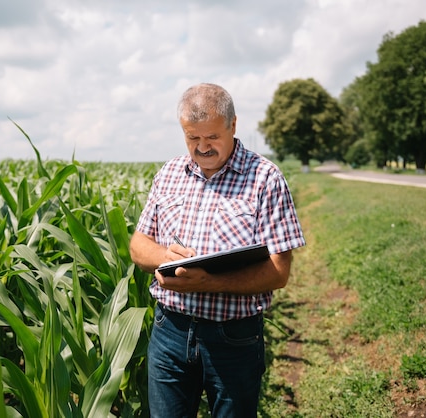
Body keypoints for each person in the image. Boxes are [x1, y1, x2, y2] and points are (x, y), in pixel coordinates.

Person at [129, 83, 305, 417]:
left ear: (233, 125)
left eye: (211, 137)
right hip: (169, 331)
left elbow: (278, 272)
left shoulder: (265, 178)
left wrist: (207, 282)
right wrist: (165, 257)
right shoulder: (169, 174)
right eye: (192, 138)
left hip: (234, 338)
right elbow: (138, 245)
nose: (202, 147)